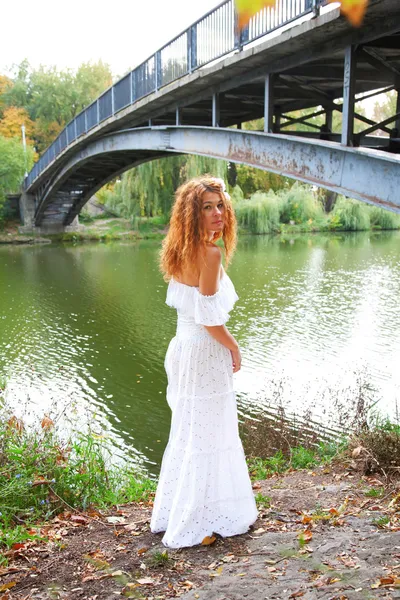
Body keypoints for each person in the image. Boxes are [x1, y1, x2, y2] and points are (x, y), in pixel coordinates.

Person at [150, 175, 258, 548]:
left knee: (191, 429)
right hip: (205, 350)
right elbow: (210, 318)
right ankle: (200, 514)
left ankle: (182, 509)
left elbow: (192, 310)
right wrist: (234, 347)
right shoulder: (210, 254)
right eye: (208, 207)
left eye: (220, 206)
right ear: (193, 214)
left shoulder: (179, 248)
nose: (218, 214)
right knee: (211, 430)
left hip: (182, 349)